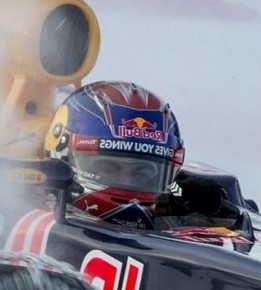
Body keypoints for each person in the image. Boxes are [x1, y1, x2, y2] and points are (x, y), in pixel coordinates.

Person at [46, 80, 185, 228]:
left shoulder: (177, 217)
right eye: (108, 169)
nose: (128, 183)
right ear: (62, 154)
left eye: (141, 175)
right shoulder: (21, 202)